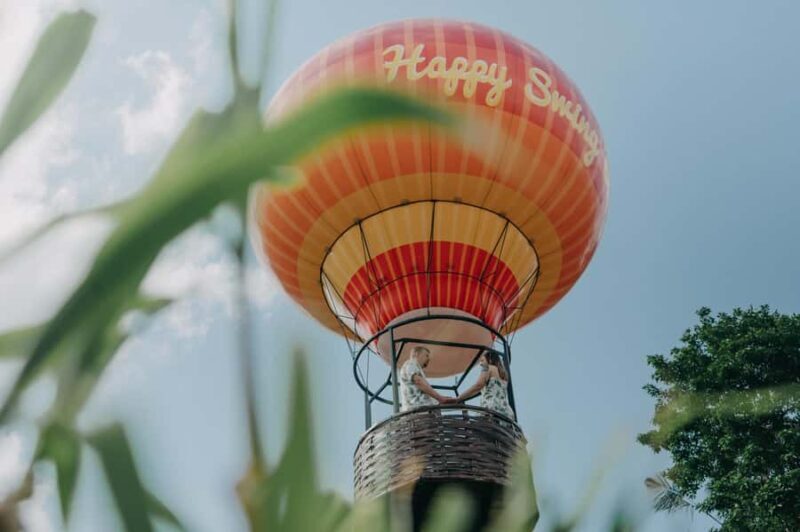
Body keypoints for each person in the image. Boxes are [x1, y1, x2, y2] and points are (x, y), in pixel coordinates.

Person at [456, 352, 514, 419]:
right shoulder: (504, 376)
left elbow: (478, 385)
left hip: (491, 408)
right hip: (506, 411)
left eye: (482, 360)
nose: (480, 364)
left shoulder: (487, 367)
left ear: (490, 360)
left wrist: (459, 398)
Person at [398, 346, 452, 411]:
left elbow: (421, 390)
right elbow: (418, 381)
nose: (428, 359)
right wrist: (440, 398)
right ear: (416, 354)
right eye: (426, 355)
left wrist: (439, 400)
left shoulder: (415, 368)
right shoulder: (411, 363)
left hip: (422, 410)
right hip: (419, 410)